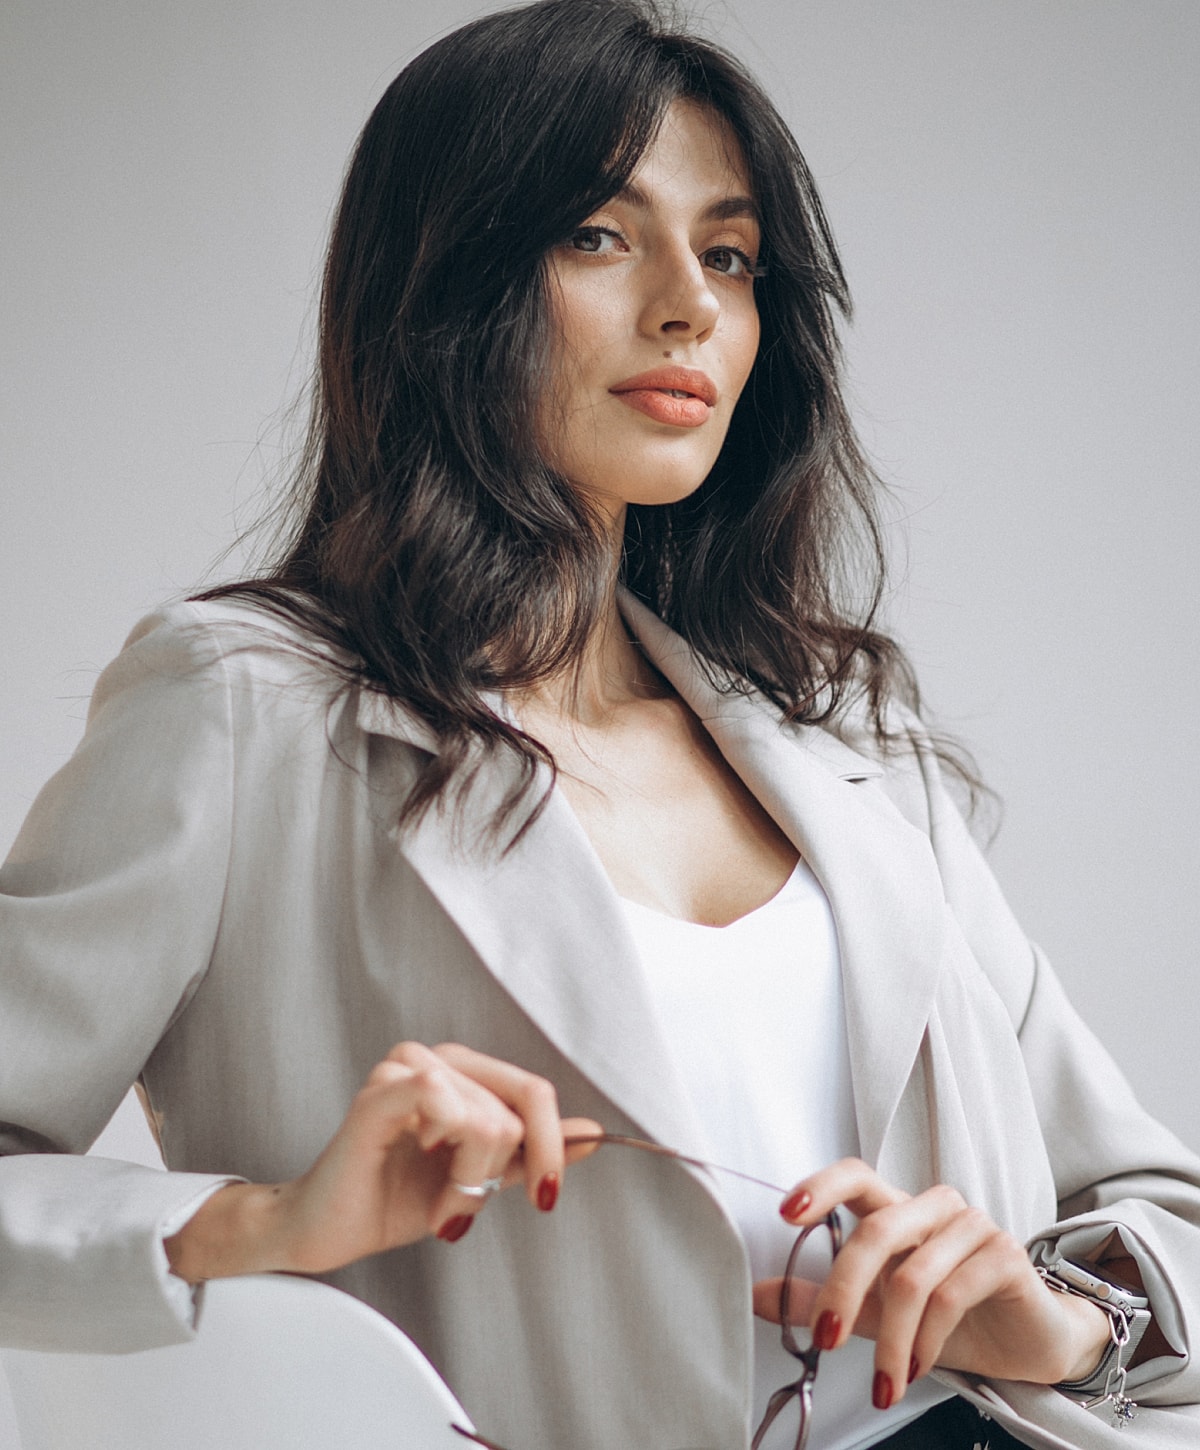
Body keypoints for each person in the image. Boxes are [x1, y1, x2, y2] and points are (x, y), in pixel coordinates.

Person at [1, 1, 1198, 1447]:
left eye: (733, 254)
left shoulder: (855, 754)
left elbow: (1160, 1211)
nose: (690, 303)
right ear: (444, 280)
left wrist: (1063, 1316)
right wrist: (261, 1222)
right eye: (598, 233)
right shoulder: (244, 708)